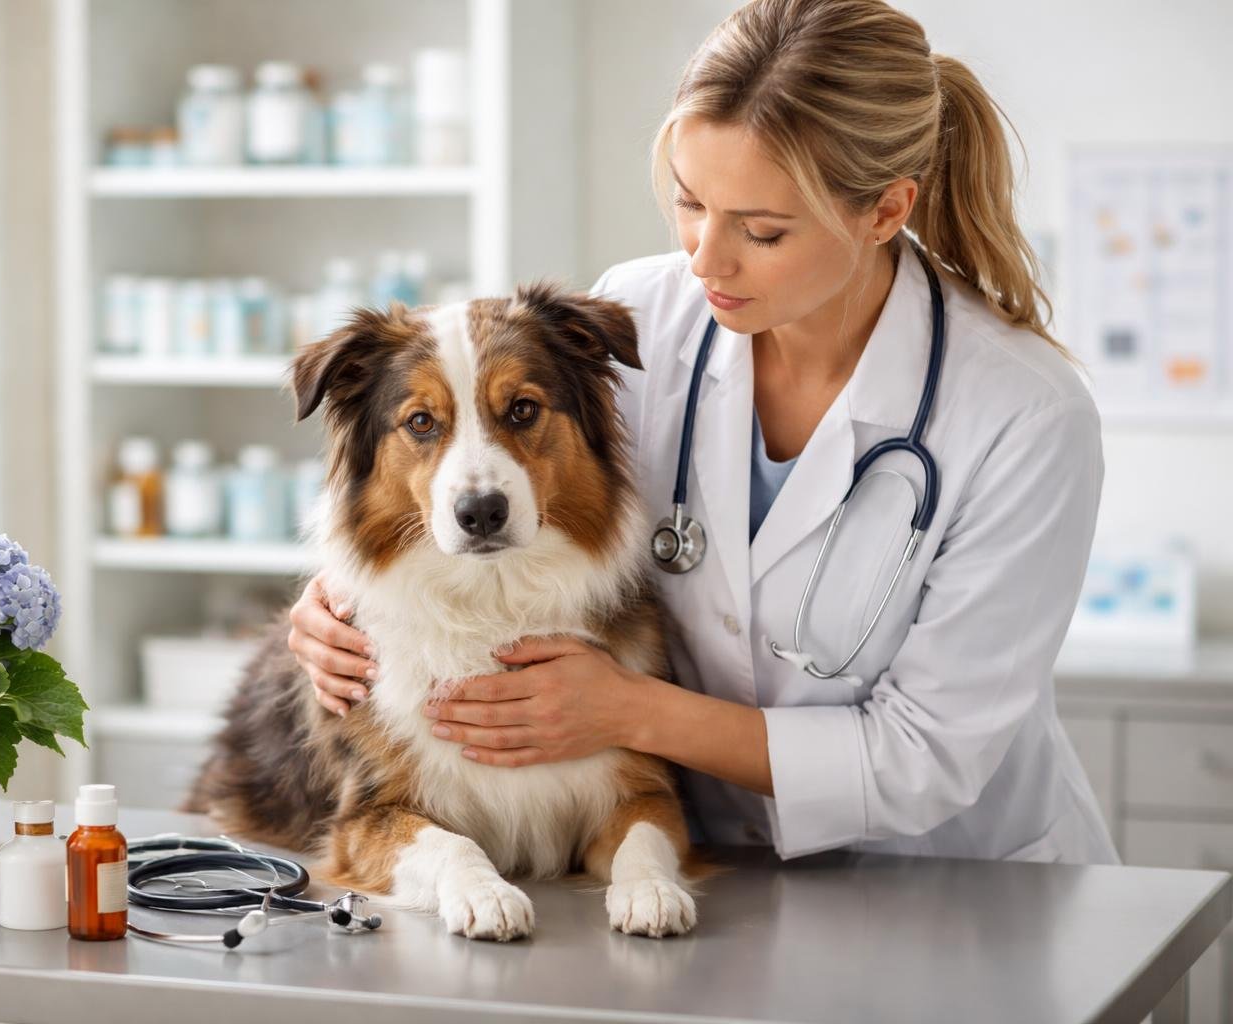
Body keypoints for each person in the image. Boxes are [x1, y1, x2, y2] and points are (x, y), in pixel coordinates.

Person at [286, 0, 1119, 865]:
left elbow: (926, 758)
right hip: (702, 862)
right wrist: (344, 612)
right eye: (690, 204)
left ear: (884, 210)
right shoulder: (650, 316)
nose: (704, 261)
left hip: (956, 884)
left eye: (762, 230)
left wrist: (630, 711)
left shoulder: (1022, 413)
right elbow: (485, 478)